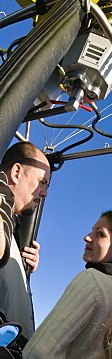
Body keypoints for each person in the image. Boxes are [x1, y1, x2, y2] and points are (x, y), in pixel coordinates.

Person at [24, 211, 112, 359]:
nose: (87, 237)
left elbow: (38, 354)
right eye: (92, 231)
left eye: (100, 234)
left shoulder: (92, 280)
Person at [0, 142, 50, 336]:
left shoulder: (11, 227)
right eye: (42, 182)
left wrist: (18, 266)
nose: (44, 192)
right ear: (17, 172)